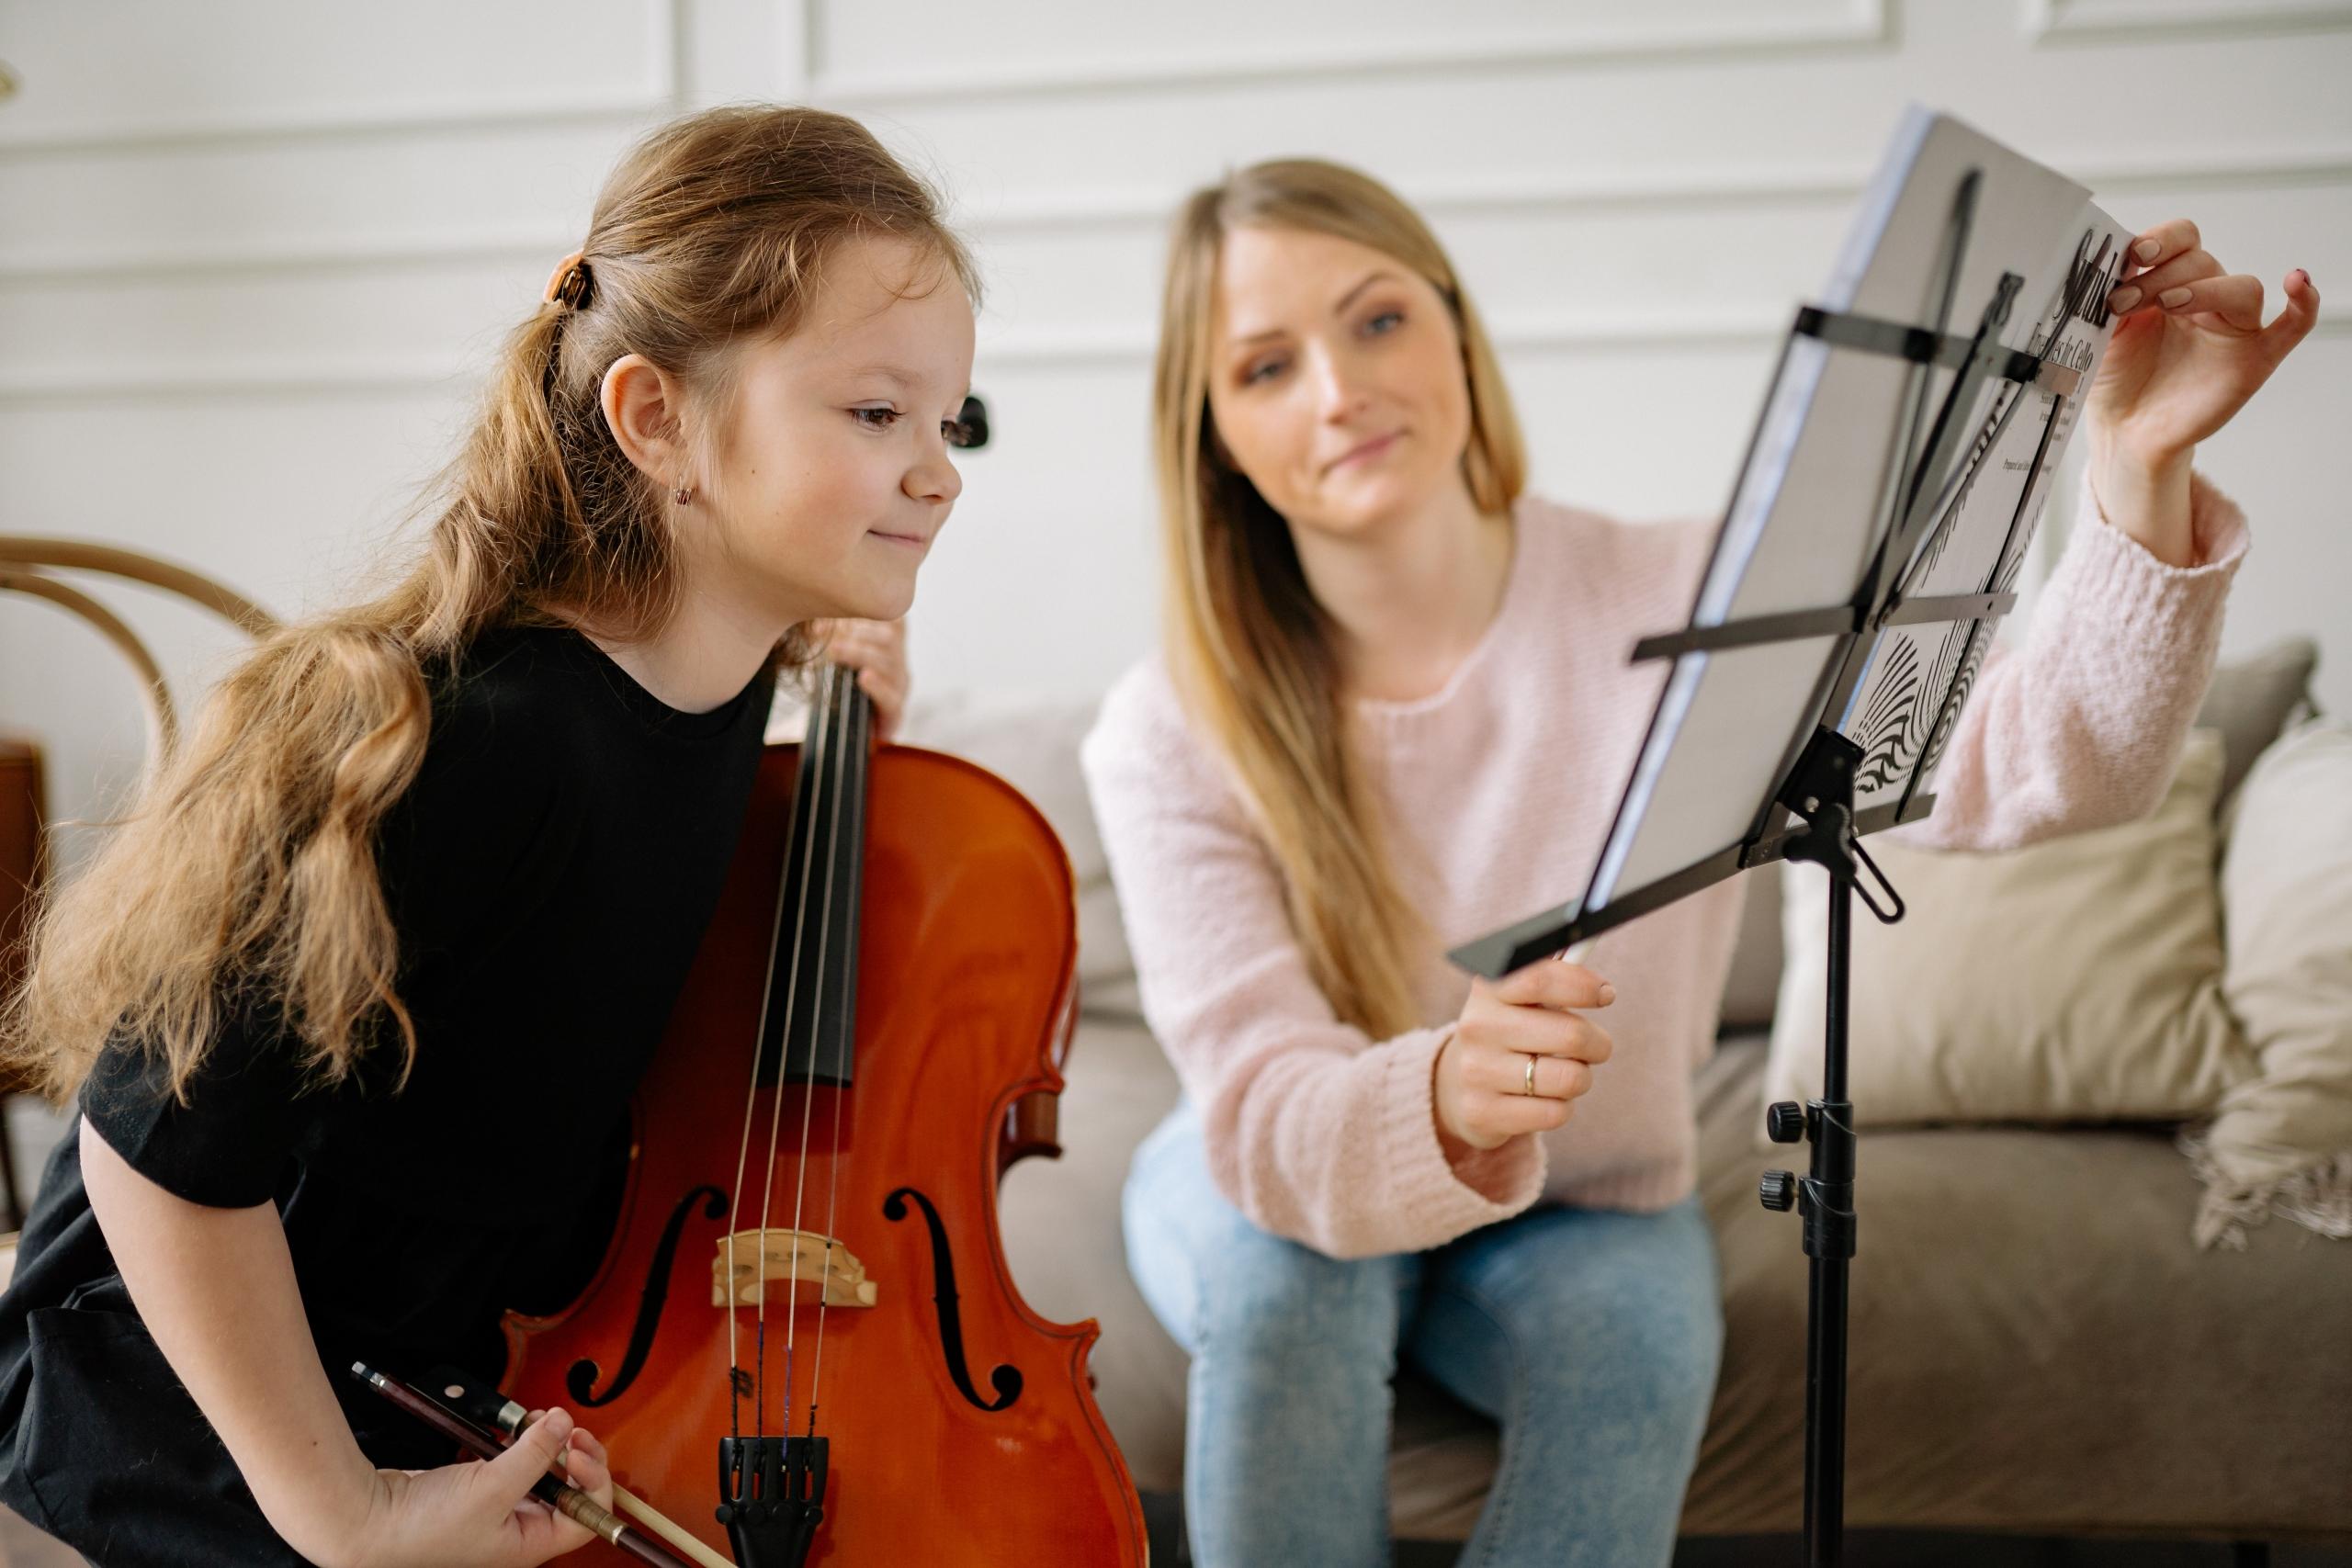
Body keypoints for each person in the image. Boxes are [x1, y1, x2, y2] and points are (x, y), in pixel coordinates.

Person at [1082, 157, 2317, 1567]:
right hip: (1276, 1173)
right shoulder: (1170, 724)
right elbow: (1259, 1103)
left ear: (1453, 329)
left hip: (1593, 1192)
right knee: (1289, 1285)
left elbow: (2060, 762)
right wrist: (1436, 1092)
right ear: (1215, 436)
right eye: (1263, 366)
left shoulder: (1691, 602)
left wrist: (2139, 464)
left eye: (1376, 322)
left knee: (1633, 1353)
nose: (1337, 392)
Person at [0, 105, 974, 1567]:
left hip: (440, 1377)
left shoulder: (711, 684)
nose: (940, 470)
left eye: (950, 422)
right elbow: (156, 1159)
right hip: (201, 1421)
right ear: (655, 419)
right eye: (875, 414)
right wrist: (345, 1513)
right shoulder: (483, 746)